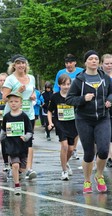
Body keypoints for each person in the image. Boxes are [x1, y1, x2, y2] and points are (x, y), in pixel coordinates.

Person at [66, 50, 112, 193]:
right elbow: (69, 99)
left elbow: (111, 92)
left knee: (104, 150)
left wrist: (110, 100)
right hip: (84, 119)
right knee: (89, 153)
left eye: (96, 59)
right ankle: (87, 181)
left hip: (103, 118)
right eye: (91, 59)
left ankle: (99, 175)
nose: (94, 61)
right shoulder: (79, 80)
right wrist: (83, 99)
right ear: (85, 62)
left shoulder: (104, 77)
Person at [2, 54, 37, 180]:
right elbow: (5, 98)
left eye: (23, 63)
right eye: (18, 63)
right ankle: (14, 166)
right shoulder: (10, 79)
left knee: (29, 140)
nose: (21, 65)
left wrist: (33, 97)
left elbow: (32, 92)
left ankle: (28, 168)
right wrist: (18, 92)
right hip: (13, 115)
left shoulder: (31, 78)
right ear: (14, 65)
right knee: (14, 141)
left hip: (28, 114)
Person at [0, 91, 33, 195]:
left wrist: (25, 137)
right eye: (11, 101)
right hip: (11, 146)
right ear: (8, 103)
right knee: (15, 165)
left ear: (21, 103)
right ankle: (17, 186)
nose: (13, 103)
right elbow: (3, 131)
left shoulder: (24, 116)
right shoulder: (7, 116)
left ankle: (18, 174)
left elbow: (30, 131)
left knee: (22, 168)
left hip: (22, 146)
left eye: (16, 101)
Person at [47, 74, 77, 181]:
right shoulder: (55, 97)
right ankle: (64, 171)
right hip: (60, 123)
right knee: (64, 146)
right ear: (59, 85)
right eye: (64, 84)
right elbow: (50, 111)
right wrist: (50, 123)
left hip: (72, 124)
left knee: (71, 149)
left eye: (68, 84)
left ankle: (65, 161)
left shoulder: (73, 95)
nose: (66, 86)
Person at [53, 54, 83, 160]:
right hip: (63, 101)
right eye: (66, 63)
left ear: (75, 63)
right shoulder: (61, 73)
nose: (68, 65)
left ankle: (74, 148)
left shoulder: (81, 71)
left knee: (76, 127)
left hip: (77, 101)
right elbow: (56, 87)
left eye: (70, 62)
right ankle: (71, 149)